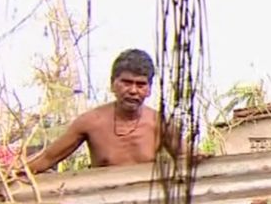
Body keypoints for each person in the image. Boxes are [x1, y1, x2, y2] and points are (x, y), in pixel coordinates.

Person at [22, 49, 182, 174]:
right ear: (113, 84)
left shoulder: (160, 124)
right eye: (126, 83)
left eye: (140, 85)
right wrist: (10, 174)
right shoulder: (91, 122)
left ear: (149, 90)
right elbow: (47, 158)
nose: (133, 90)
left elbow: (190, 160)